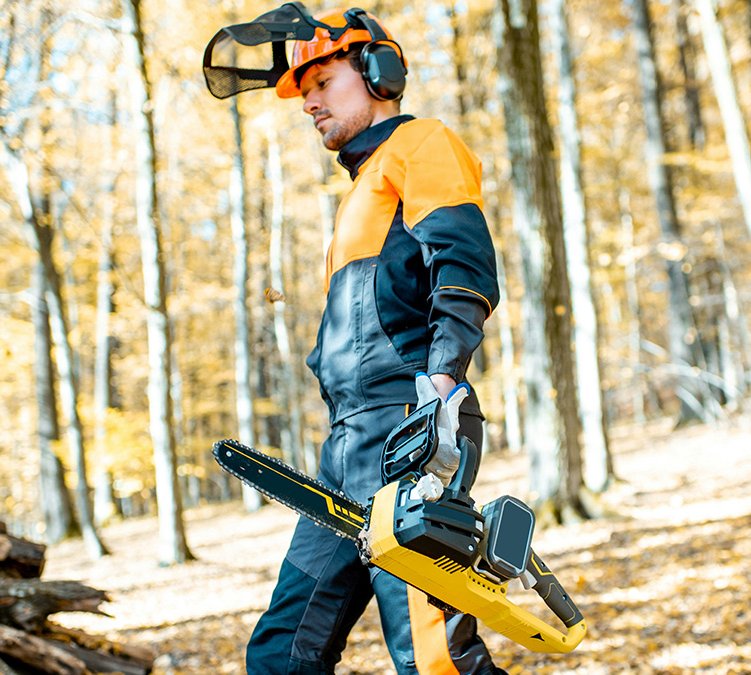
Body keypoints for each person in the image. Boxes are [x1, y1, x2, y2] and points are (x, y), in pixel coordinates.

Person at [234, 6, 507, 675]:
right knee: (280, 652)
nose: (311, 103)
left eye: (323, 82)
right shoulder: (358, 192)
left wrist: (441, 385)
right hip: (347, 449)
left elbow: (463, 268)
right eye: (305, 93)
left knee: (434, 658)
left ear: (377, 74)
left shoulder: (422, 146)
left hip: (407, 434)